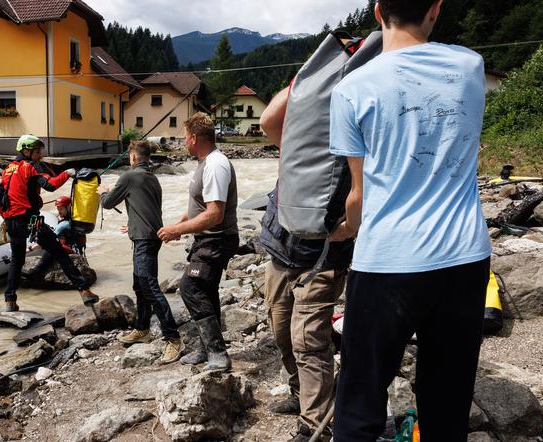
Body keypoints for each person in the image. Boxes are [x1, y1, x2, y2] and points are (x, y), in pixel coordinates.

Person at [327, 1, 492, 439]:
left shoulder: (351, 88)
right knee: (447, 402)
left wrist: (347, 228)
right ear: (435, 9)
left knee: (360, 400)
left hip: (386, 260)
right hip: (463, 257)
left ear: (378, 11)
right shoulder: (470, 66)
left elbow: (359, 194)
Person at [253, 85, 354, 440]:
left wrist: (350, 227)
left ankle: (315, 423)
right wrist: (307, 80)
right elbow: (268, 120)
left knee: (308, 341)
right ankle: (299, 393)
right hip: (280, 254)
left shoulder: (351, 151)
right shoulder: (297, 145)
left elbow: (369, 193)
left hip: (323, 261)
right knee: (281, 332)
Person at [158, 112, 238, 372]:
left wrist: (178, 229)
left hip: (217, 240)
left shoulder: (215, 165)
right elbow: (199, 205)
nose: (183, 142)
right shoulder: (206, 163)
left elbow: (215, 214)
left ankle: (218, 354)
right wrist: (179, 226)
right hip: (207, 238)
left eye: (184, 138)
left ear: (193, 138)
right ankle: (207, 349)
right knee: (206, 289)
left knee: (190, 287)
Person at [98, 141, 182, 364]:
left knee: (150, 288)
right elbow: (147, 208)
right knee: (140, 286)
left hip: (144, 240)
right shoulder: (153, 178)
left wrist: (103, 192)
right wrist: (133, 223)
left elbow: (107, 203)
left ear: (133, 157)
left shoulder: (129, 177)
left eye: (130, 156)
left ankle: (173, 338)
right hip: (151, 236)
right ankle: (142, 329)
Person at [0, 134, 99, 312]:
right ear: (26, 151)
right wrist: (67, 173)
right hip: (30, 221)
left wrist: (8, 218)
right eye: (37, 152)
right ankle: (84, 291)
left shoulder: (8, 170)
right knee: (59, 252)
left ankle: (10, 301)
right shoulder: (30, 166)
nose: (40, 155)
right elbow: (50, 185)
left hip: (12, 222)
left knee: (17, 261)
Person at [23, 195, 86, 281]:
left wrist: (28, 250)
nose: (59, 212)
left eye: (61, 209)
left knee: (51, 246)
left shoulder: (64, 224)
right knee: (53, 244)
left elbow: (49, 240)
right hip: (74, 249)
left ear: (68, 207)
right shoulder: (75, 219)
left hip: (70, 249)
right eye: (58, 209)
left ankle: (36, 271)